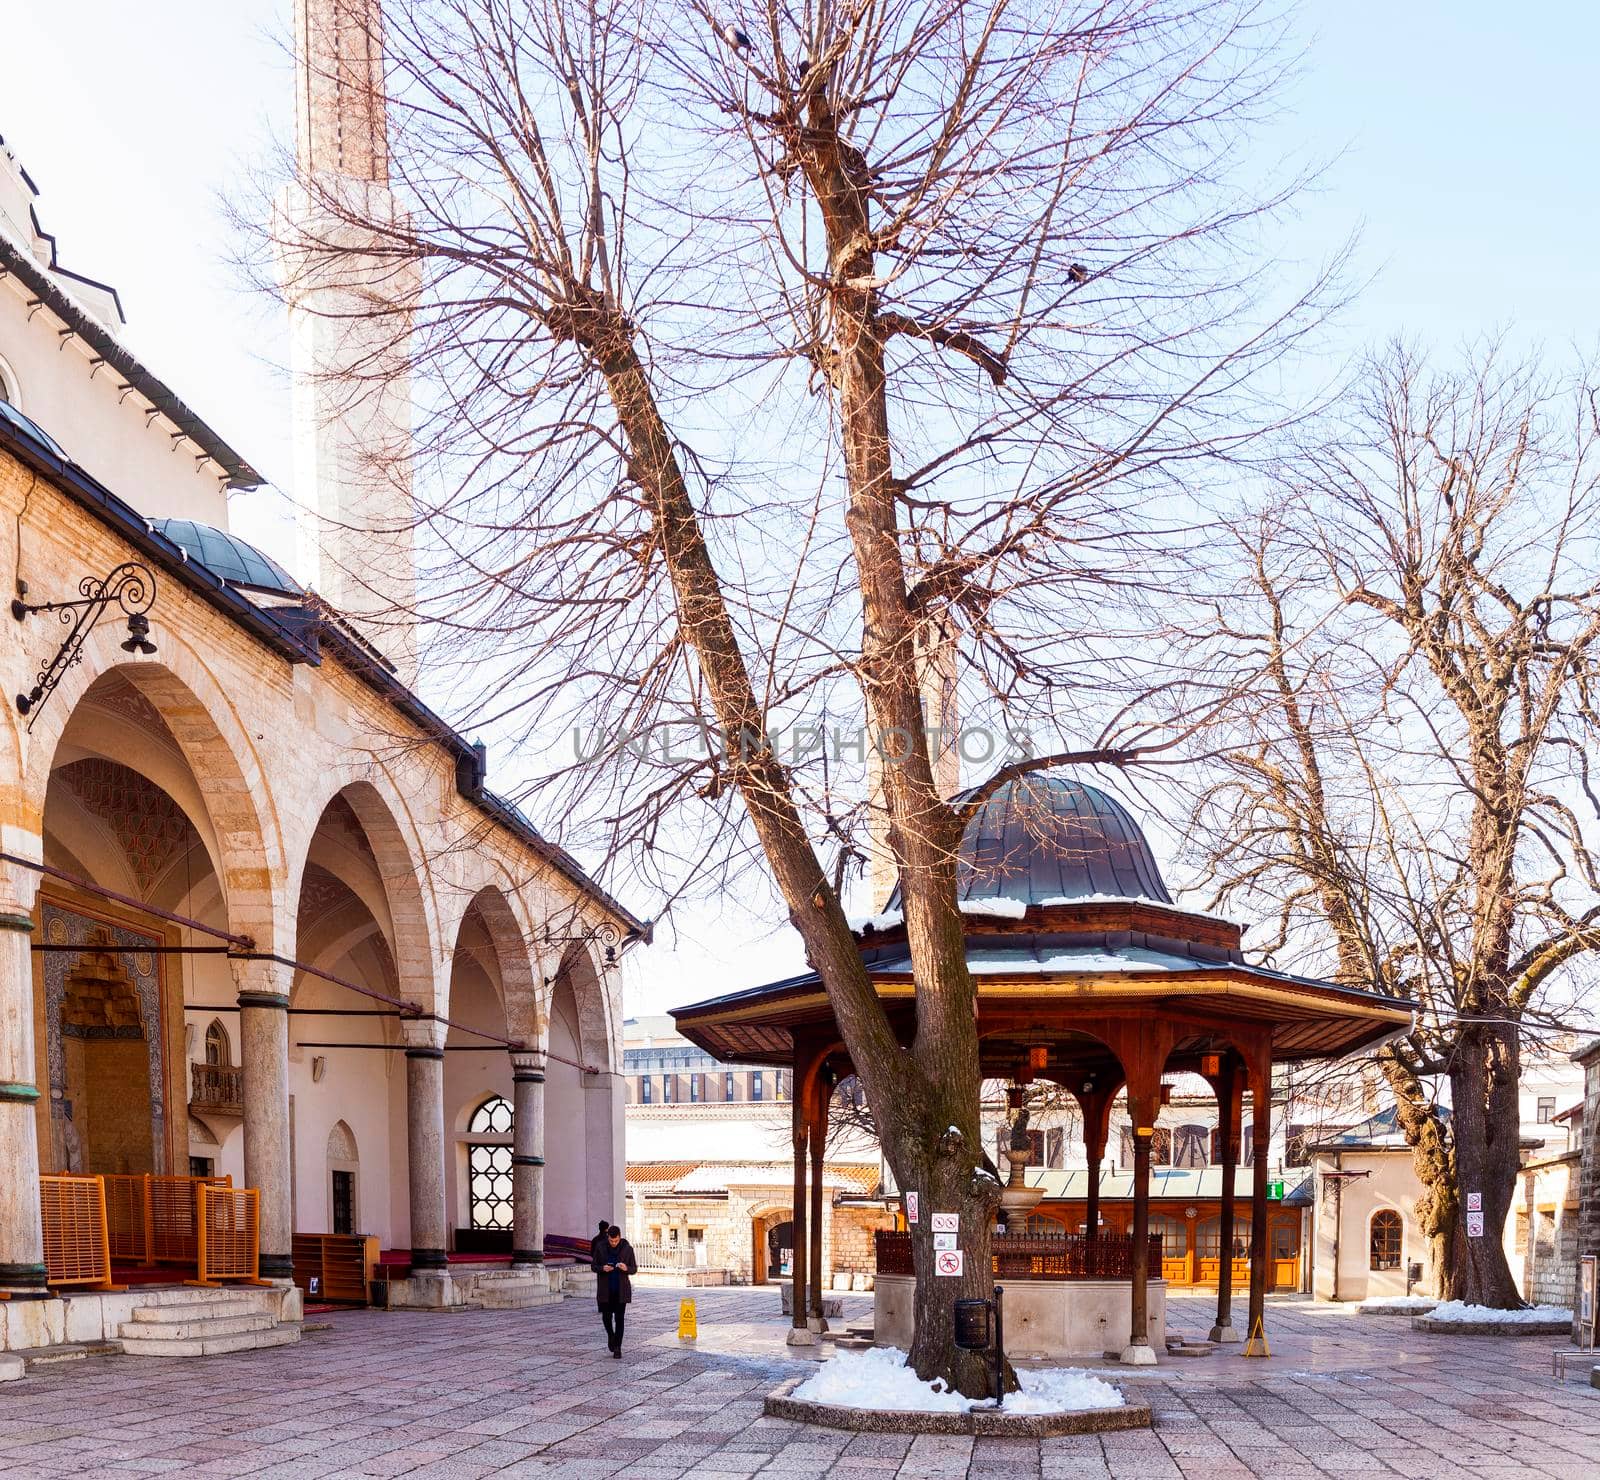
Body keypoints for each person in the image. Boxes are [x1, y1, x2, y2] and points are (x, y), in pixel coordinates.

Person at [592, 1224, 637, 1357]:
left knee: (619, 1319)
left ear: (620, 1237)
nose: (613, 1243)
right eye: (611, 1241)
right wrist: (602, 1268)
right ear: (608, 1238)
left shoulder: (627, 1249)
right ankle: (611, 1336)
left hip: (621, 1291)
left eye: (616, 1240)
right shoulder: (600, 1247)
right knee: (606, 1317)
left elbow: (634, 1268)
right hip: (605, 1290)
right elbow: (593, 1266)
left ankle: (617, 1347)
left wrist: (626, 1268)